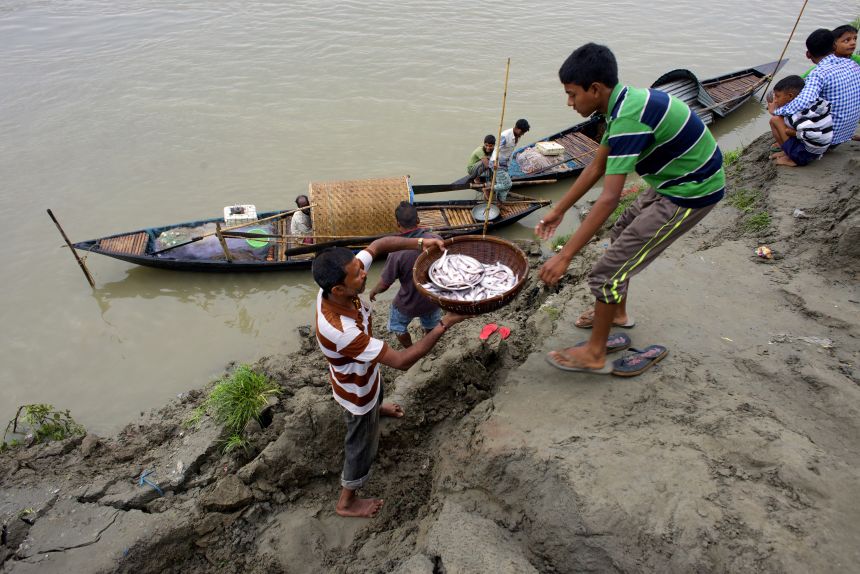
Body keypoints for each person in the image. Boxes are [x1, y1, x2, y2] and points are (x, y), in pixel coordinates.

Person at [536, 43, 725, 374]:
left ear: (595, 89)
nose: (569, 102)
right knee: (622, 232)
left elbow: (609, 198)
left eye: (571, 94)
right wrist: (560, 209)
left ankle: (594, 353)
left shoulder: (627, 118)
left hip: (690, 191)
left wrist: (565, 256)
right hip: (671, 179)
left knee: (606, 272)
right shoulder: (622, 103)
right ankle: (618, 314)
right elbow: (597, 166)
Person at [312, 237, 469, 517]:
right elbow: (401, 361)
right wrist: (445, 323)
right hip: (356, 392)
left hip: (367, 373)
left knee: (378, 389)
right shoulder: (341, 330)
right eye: (358, 273)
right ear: (338, 289)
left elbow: (379, 245)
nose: (364, 272)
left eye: (360, 266)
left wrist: (420, 243)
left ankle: (379, 407)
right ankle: (346, 501)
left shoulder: (338, 280)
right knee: (361, 445)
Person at [368, 202, 442, 348]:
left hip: (408, 303)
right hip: (432, 299)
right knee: (431, 325)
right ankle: (427, 345)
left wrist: (373, 291)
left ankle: (410, 349)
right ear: (418, 220)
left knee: (397, 326)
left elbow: (385, 284)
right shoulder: (436, 240)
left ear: (397, 224)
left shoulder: (396, 253)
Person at [775, 29, 860, 148]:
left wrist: (777, 110)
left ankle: (790, 153)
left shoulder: (818, 73)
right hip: (847, 133)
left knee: (778, 116)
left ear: (808, 54)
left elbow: (804, 102)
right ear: (835, 46)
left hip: (828, 139)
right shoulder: (853, 65)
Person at [768, 75, 833, 167]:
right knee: (778, 120)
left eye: (777, 97)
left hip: (805, 155)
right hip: (817, 148)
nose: (775, 101)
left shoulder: (796, 115)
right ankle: (788, 152)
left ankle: (793, 158)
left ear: (790, 96)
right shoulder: (810, 102)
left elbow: (815, 134)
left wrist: (793, 133)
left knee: (775, 120)